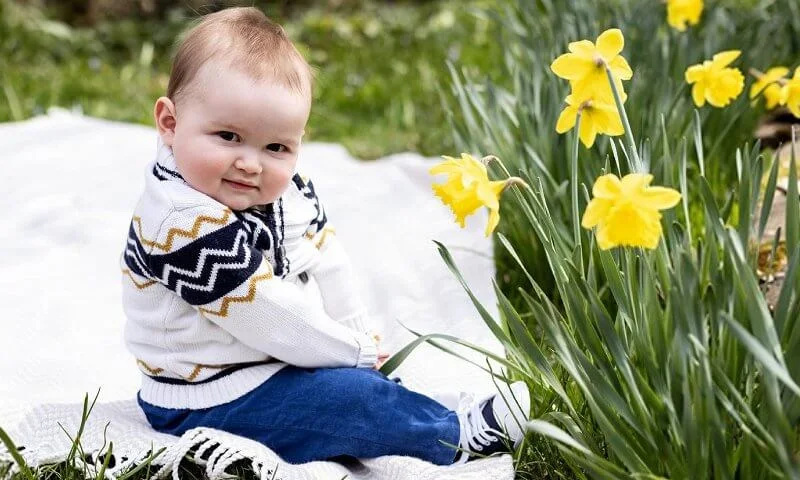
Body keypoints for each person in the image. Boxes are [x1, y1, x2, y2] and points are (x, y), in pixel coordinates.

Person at [119, 6, 530, 466]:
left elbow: (326, 259)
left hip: (268, 362)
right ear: (170, 124)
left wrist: (354, 333)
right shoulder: (178, 222)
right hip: (204, 395)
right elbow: (266, 313)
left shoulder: (282, 193)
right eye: (228, 136)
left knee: (355, 385)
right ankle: (454, 436)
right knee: (347, 403)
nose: (251, 163)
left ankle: (425, 408)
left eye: (276, 147)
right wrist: (350, 351)